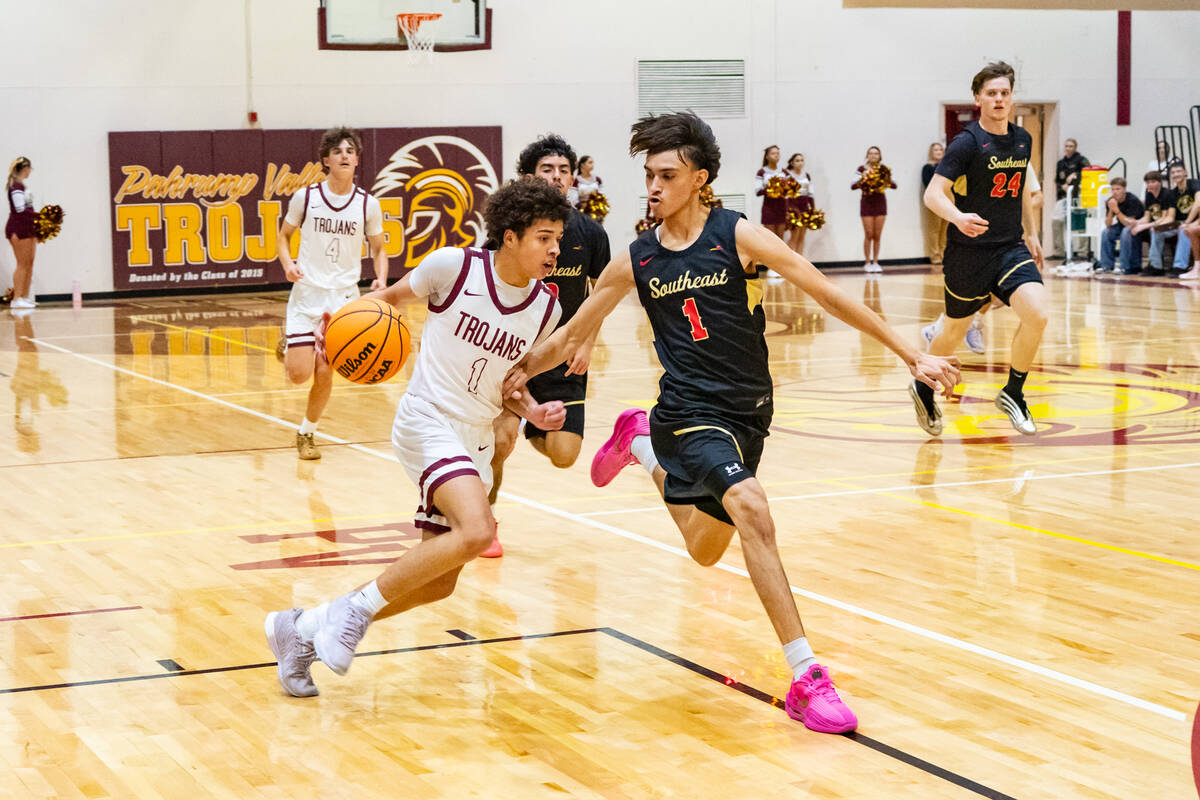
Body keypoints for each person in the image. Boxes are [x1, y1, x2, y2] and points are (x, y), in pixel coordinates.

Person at [505, 112, 959, 734]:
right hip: (690, 413)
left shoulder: (735, 235)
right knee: (752, 506)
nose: (654, 187)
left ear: (700, 178)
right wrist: (512, 372)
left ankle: (638, 446)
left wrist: (912, 353)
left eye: (667, 175)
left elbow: (825, 292)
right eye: (648, 176)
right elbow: (571, 336)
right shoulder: (636, 257)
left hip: (751, 411)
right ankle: (806, 676)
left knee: (705, 548)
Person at [264, 177, 572, 697]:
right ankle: (350, 614)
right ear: (512, 237)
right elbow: (381, 302)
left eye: (558, 238)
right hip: (427, 417)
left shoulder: (547, 309)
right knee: (477, 531)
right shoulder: (454, 267)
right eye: (544, 237)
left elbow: (508, 384)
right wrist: (332, 326)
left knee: (441, 579)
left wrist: (534, 411)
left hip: (474, 435)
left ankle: (302, 630)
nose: (554, 249)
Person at [484, 134, 611, 557]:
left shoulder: (591, 233)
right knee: (500, 442)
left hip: (562, 357)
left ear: (574, 177)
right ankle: (486, 524)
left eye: (563, 170)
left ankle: (534, 422)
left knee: (564, 454)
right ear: (527, 178)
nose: (556, 177)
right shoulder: (509, 233)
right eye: (546, 170)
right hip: (512, 354)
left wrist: (587, 342)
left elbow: (601, 294)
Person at [917, 61, 1046, 437]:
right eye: (991, 93)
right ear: (978, 99)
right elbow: (932, 194)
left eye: (1005, 93)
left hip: (1009, 247)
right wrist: (957, 216)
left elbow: (1022, 188)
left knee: (1037, 314)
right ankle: (923, 385)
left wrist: (1033, 233)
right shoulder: (967, 142)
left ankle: (1013, 392)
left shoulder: (1023, 139)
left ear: (1012, 97)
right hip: (969, 252)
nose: (999, 99)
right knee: (954, 331)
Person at [277, 127, 387, 460]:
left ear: (357, 159)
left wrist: (380, 279)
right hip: (308, 293)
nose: (344, 155)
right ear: (326, 159)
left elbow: (379, 249)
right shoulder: (306, 198)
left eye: (350, 150)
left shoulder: (367, 204)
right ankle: (289, 344)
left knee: (326, 369)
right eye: (337, 150)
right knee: (299, 375)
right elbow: (283, 237)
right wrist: (288, 264)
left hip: (343, 299)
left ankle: (307, 433)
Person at [851, 146, 896, 273]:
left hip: (880, 202)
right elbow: (853, 185)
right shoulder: (861, 169)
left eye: (876, 153)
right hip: (867, 202)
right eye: (870, 153)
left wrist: (884, 179)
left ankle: (876, 261)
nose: (873, 156)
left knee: (877, 235)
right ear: (867, 155)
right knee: (869, 233)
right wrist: (865, 178)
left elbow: (894, 184)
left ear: (880, 156)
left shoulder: (884, 169)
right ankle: (867, 262)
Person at [1130, 171, 1177, 276]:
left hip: (1169, 224)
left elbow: (1164, 219)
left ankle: (1156, 266)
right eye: (1147, 182)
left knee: (1154, 230)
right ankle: (1132, 266)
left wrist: (1143, 227)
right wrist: (1136, 222)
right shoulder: (1149, 195)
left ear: (1159, 182)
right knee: (1129, 231)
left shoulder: (1166, 194)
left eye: (1152, 182)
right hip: (1155, 225)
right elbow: (1147, 217)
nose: (1149, 185)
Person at [6, 157, 38, 310]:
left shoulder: (22, 186)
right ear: (25, 169)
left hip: (28, 228)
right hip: (19, 228)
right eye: (29, 169)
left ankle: (24, 296)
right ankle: (16, 298)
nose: (30, 172)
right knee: (22, 264)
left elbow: (28, 210)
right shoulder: (16, 186)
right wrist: (40, 217)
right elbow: (20, 211)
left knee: (29, 263)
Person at [1098, 177, 1145, 275]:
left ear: (1124, 189)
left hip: (1138, 228)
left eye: (1118, 189)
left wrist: (1116, 210)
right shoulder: (1111, 201)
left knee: (1126, 231)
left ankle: (1125, 267)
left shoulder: (1132, 200)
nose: (1115, 192)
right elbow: (1108, 224)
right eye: (1113, 189)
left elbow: (1129, 223)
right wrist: (1111, 210)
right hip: (1121, 227)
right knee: (1105, 232)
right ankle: (1106, 266)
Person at [1052, 139, 1089, 259]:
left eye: (1071, 146)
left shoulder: (1081, 160)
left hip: (1078, 197)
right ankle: (1059, 251)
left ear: (1075, 147)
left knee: (1080, 224)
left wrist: (1076, 175)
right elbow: (1057, 180)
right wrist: (1062, 186)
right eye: (1066, 146)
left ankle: (1082, 252)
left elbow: (1088, 173)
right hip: (1063, 196)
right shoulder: (1061, 163)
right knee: (1056, 221)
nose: (1068, 148)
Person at [1168, 163, 1200, 278]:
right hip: (1180, 222)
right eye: (1173, 172)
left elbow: (1198, 203)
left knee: (1184, 229)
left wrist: (1187, 222)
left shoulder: (1194, 183)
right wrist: (1157, 224)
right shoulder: (1172, 193)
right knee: (1155, 231)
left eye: (1178, 171)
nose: (1176, 174)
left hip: (1196, 221)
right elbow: (1170, 216)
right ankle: (1155, 266)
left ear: (1185, 172)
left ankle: (1180, 267)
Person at [921, 143, 949, 269]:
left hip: (949, 198)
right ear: (931, 152)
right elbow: (928, 183)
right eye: (935, 150)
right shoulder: (928, 167)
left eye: (940, 149)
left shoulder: (948, 165)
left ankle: (944, 254)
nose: (938, 152)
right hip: (936, 199)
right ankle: (935, 255)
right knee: (934, 228)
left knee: (946, 229)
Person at [754, 145, 788, 241]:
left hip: (781, 207)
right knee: (770, 239)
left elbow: (789, 191)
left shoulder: (784, 172)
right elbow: (758, 191)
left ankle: (781, 256)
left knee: (781, 239)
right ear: (767, 156)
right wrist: (772, 188)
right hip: (769, 208)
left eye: (778, 153)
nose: (776, 155)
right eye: (773, 153)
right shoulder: (761, 172)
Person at [783, 152, 814, 256]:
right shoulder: (788, 175)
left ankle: (801, 261)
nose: (800, 163)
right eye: (797, 160)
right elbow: (786, 194)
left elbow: (810, 193)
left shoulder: (806, 175)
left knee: (802, 236)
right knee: (794, 236)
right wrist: (788, 209)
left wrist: (812, 208)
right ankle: (790, 260)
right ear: (792, 163)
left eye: (802, 160)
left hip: (804, 206)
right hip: (793, 206)